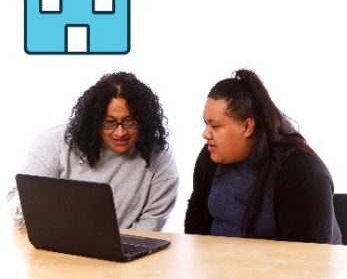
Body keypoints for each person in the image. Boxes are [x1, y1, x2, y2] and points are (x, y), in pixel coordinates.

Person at [184, 68, 342, 244]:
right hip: (221, 267)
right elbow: (196, 219)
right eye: (206, 124)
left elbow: (309, 259)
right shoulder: (211, 156)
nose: (206, 134)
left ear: (247, 127)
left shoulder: (301, 171)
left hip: (279, 269)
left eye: (215, 126)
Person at [7, 72, 179, 231]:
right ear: (95, 121)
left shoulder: (160, 155)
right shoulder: (56, 142)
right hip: (55, 250)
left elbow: (151, 227)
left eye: (130, 122)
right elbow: (17, 201)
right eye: (110, 122)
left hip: (124, 255)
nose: (120, 132)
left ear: (144, 121)